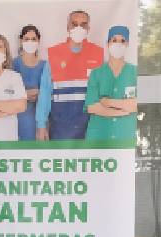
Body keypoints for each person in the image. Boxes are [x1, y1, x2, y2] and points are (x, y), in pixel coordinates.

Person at [46, 10, 104, 140]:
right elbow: (45, 93)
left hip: (91, 125)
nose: (79, 28)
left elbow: (105, 92)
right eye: (74, 24)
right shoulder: (53, 53)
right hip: (61, 127)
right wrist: (41, 124)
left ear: (88, 28)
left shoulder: (99, 54)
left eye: (83, 25)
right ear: (68, 27)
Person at [84, 25, 137, 142]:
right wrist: (124, 111)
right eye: (114, 40)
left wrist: (107, 102)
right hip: (99, 135)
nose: (118, 44)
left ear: (127, 44)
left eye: (122, 41)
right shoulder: (97, 73)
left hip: (124, 134)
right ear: (108, 44)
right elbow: (92, 107)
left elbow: (136, 104)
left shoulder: (134, 73)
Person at [12, 25, 53, 141]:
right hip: (18, 119)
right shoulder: (13, 64)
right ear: (21, 41)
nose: (30, 42)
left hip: (41, 121)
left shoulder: (45, 65)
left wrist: (41, 93)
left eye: (33, 39)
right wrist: (25, 94)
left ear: (38, 41)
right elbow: (6, 92)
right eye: (26, 39)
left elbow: (49, 92)